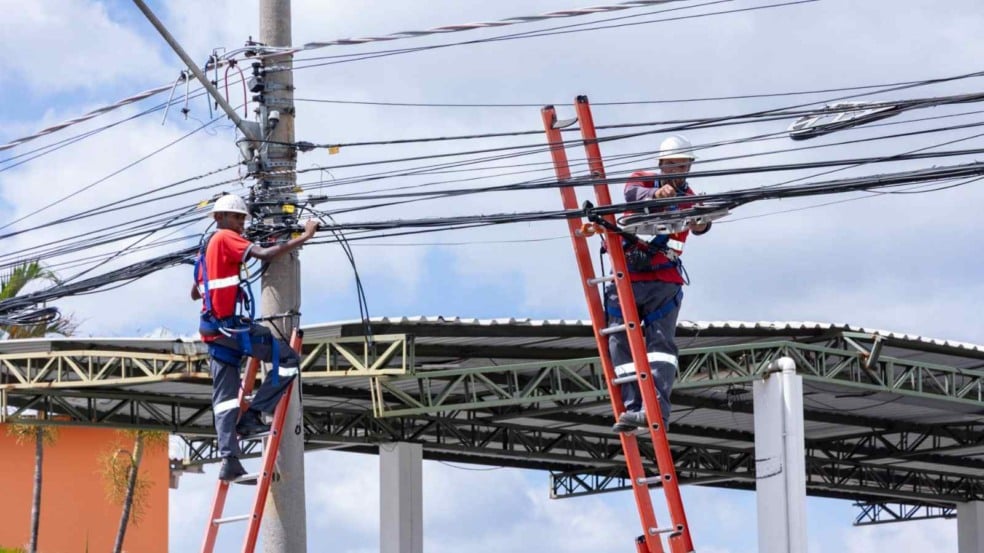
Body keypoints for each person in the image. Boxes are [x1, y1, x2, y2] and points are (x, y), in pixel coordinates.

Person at [191, 194, 318, 482]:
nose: (241, 223)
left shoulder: (206, 248)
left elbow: (194, 292)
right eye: (237, 217)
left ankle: (229, 460)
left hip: (212, 332)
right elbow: (262, 254)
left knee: (223, 400)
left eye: (242, 218)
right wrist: (305, 236)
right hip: (230, 328)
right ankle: (253, 414)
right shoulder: (225, 238)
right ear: (219, 218)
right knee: (287, 360)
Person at [608, 135, 711, 433]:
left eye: (683, 166)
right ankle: (631, 408)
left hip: (663, 281)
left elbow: (703, 223)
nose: (677, 171)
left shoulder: (691, 198)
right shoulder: (643, 180)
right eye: (672, 165)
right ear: (661, 165)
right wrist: (656, 196)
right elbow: (631, 192)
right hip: (626, 276)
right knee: (620, 343)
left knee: (660, 349)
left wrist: (701, 221)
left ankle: (653, 411)